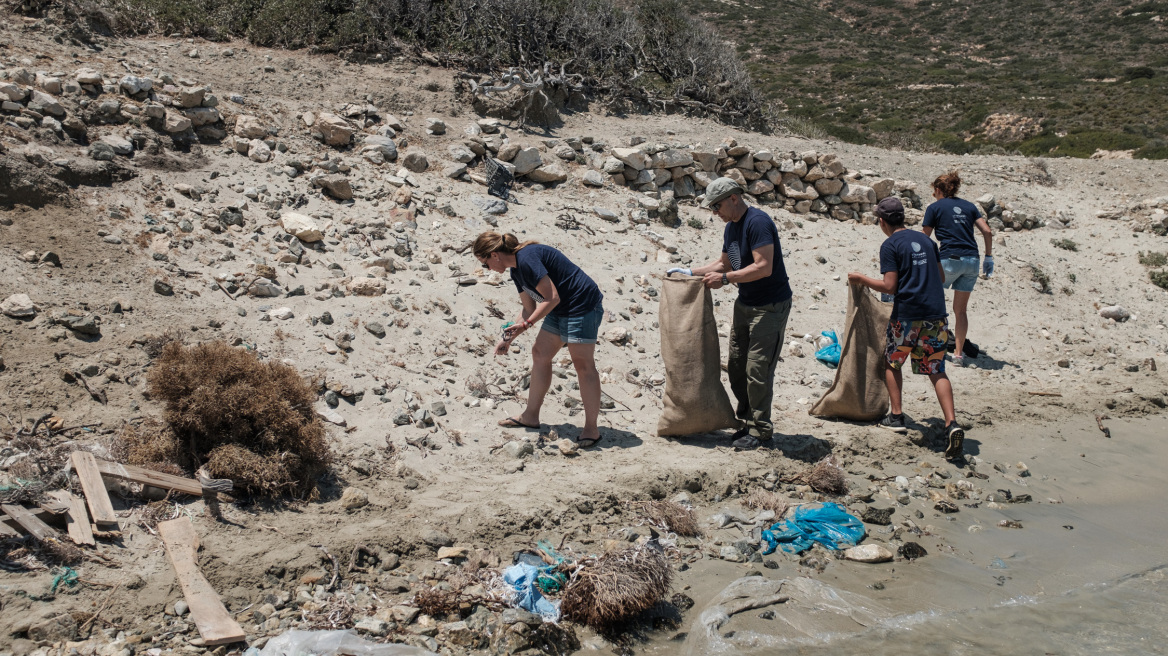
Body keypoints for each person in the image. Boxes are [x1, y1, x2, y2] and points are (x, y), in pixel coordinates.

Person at [667, 178, 793, 450]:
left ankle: (761, 432)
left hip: (770, 306)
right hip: (745, 303)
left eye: (717, 205)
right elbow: (724, 262)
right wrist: (689, 271)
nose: (715, 212)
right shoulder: (731, 228)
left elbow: (763, 267)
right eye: (712, 208)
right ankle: (747, 421)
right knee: (737, 367)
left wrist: (725, 279)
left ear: (734, 198)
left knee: (757, 369)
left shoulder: (758, 223)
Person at [847, 197, 965, 460]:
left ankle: (897, 416)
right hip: (936, 316)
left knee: (892, 362)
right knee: (936, 369)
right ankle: (952, 424)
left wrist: (860, 279)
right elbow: (942, 277)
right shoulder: (927, 241)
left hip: (908, 316)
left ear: (882, 221)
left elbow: (890, 287)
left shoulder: (890, 245)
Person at [473, 232, 606, 447]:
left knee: (583, 364)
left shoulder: (527, 258)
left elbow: (551, 297)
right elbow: (529, 308)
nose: (488, 269)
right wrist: (508, 338)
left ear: (494, 255)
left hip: (581, 305)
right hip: (559, 308)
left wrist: (527, 325)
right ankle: (530, 416)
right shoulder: (516, 271)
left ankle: (591, 428)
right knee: (540, 353)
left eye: (485, 263)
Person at [922, 171, 993, 366]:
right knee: (960, 311)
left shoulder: (934, 207)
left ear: (938, 190)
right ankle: (959, 355)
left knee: (931, 303)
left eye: (934, 192)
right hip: (972, 261)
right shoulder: (969, 206)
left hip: (949, 260)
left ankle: (932, 348)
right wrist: (988, 257)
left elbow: (924, 237)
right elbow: (986, 230)